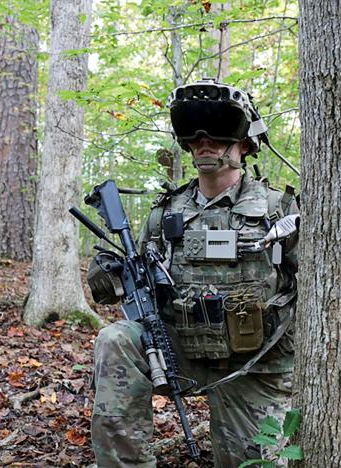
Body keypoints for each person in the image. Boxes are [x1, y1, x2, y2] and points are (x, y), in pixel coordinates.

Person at [87, 79, 299, 467]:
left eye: (219, 132)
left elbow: (317, 290)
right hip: (180, 349)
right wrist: (108, 272)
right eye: (194, 132)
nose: (205, 141)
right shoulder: (167, 211)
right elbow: (127, 278)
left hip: (253, 364)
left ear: (246, 144)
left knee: (252, 461)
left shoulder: (278, 211)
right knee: (115, 339)